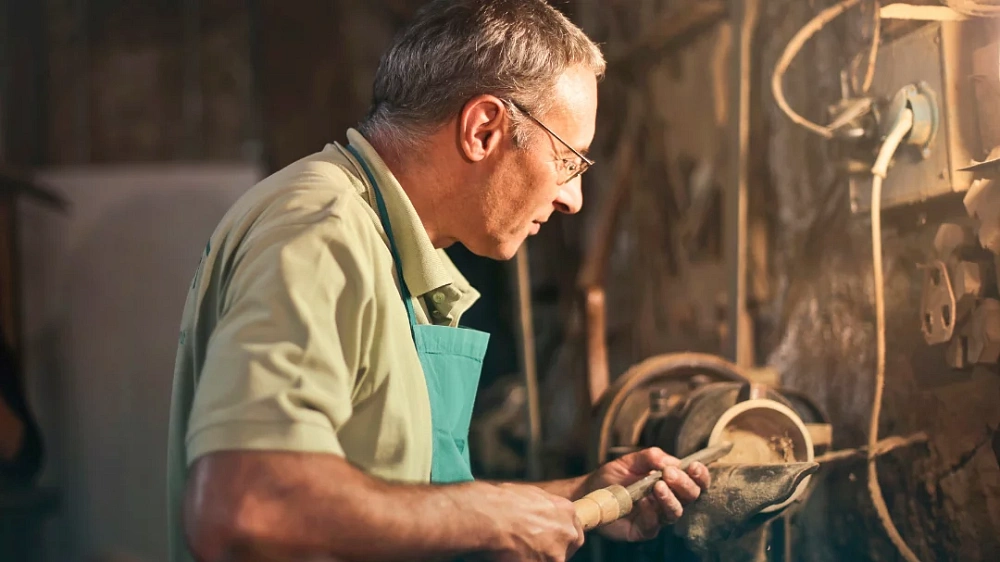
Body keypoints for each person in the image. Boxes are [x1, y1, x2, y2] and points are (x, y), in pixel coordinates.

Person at [166, 1, 710, 561]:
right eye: (569, 159)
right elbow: (245, 505)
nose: (572, 198)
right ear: (483, 129)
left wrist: (573, 499)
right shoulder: (322, 231)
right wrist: (486, 516)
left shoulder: (381, 242)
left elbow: (384, 504)